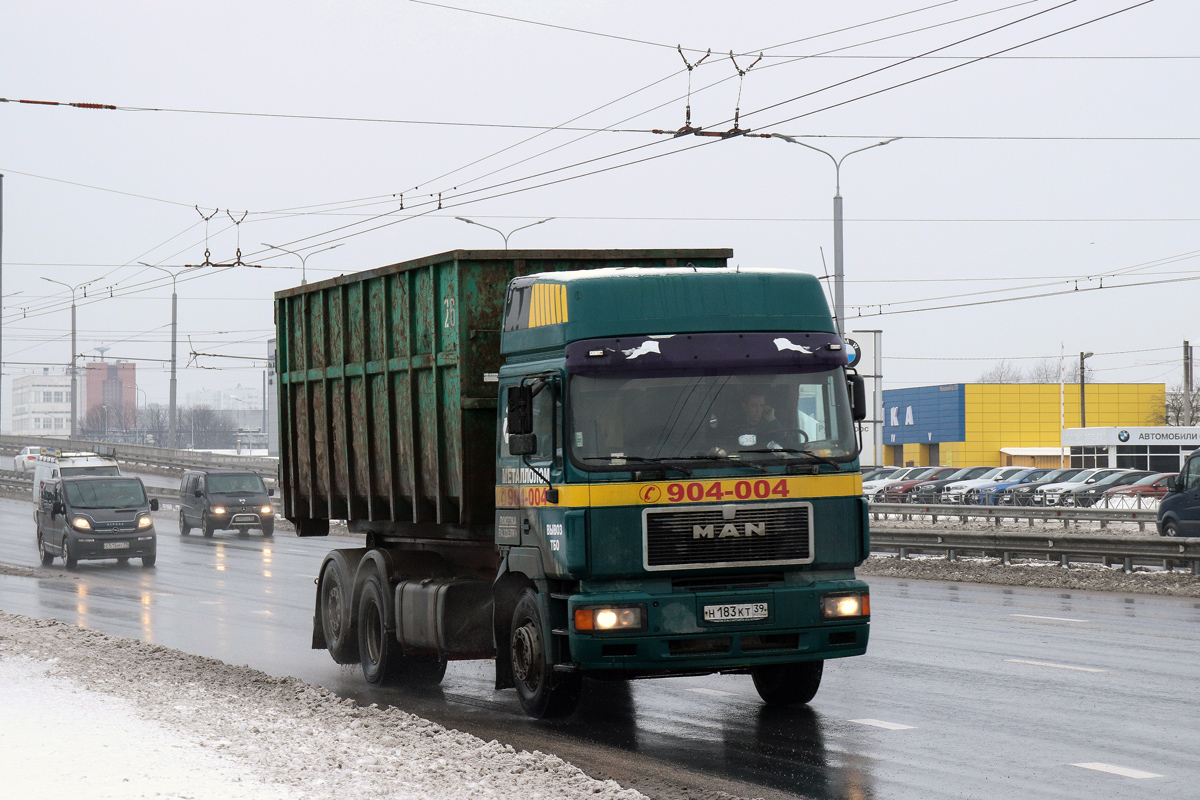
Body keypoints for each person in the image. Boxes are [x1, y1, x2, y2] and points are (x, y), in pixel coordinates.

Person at [709, 390, 785, 457]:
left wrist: (772, 419)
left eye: (761, 406)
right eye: (754, 406)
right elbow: (720, 448)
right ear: (745, 406)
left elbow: (790, 445)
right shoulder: (732, 428)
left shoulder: (771, 426)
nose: (758, 411)